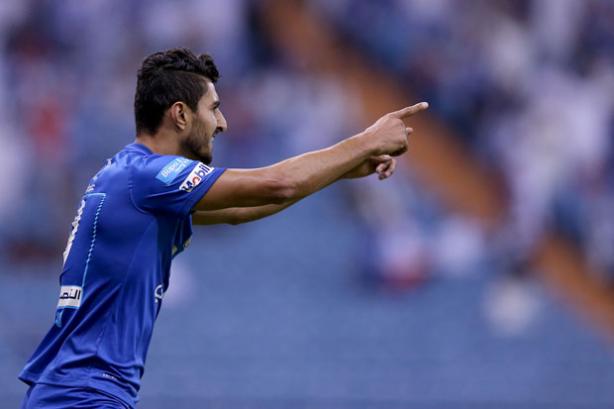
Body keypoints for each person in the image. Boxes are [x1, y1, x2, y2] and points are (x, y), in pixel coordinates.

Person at [18, 48, 428, 408]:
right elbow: (277, 184)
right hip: (85, 394)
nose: (223, 123)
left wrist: (342, 169)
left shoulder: (129, 178)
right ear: (181, 114)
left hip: (74, 390)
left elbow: (241, 210)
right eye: (213, 108)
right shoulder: (149, 176)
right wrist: (366, 141)